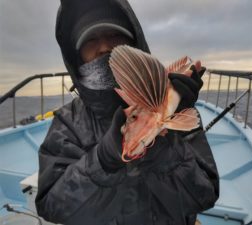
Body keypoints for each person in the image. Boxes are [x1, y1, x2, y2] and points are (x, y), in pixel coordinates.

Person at [35, 0, 219, 225]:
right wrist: (103, 160)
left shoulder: (175, 111)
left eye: (115, 36)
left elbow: (205, 195)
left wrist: (166, 143)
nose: (104, 47)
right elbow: (52, 207)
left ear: (135, 44)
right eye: (91, 40)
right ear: (77, 55)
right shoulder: (68, 123)